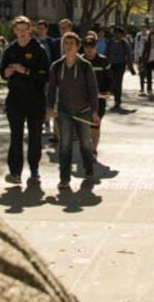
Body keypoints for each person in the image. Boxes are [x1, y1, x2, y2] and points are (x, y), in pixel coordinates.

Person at [46, 32, 100, 191]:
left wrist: (94, 112)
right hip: (64, 112)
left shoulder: (85, 66)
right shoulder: (56, 66)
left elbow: (93, 89)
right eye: (66, 43)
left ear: (77, 47)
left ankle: (88, 169)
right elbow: (51, 90)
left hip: (83, 110)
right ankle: (64, 178)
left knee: (85, 143)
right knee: (65, 145)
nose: (68, 46)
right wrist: (50, 107)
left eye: (71, 43)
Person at [1, 17, 50, 184]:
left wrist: (26, 71)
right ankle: (15, 172)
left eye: (24, 30)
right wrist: (6, 72)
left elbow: (45, 76)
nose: (21, 33)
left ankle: (34, 169)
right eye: (18, 30)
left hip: (35, 100)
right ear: (14, 30)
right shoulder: (10, 50)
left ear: (30, 30)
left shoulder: (38, 49)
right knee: (16, 136)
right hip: (15, 100)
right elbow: (2, 71)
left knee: (34, 136)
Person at [82, 33, 112, 156]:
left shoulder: (103, 61)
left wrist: (108, 92)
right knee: (84, 126)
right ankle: (86, 147)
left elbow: (110, 79)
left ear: (96, 47)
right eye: (87, 47)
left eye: (92, 47)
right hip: (82, 100)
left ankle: (93, 149)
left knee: (95, 124)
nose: (89, 50)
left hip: (99, 99)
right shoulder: (79, 61)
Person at [106, 27, 134, 112]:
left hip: (120, 65)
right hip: (111, 64)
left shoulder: (124, 43)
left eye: (119, 33)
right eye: (115, 33)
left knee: (118, 82)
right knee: (112, 82)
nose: (117, 35)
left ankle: (117, 100)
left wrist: (131, 67)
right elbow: (106, 53)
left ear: (122, 35)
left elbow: (128, 55)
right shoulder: (110, 42)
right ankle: (115, 97)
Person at [140, 31, 154, 98]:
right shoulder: (147, 43)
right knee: (149, 76)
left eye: (153, 36)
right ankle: (149, 89)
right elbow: (144, 52)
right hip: (148, 61)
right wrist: (142, 60)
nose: (152, 37)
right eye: (151, 36)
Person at [133, 24, 151, 95]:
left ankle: (149, 88)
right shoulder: (138, 36)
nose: (143, 29)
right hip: (141, 56)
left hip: (148, 56)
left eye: (144, 28)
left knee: (149, 72)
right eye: (142, 28)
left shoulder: (149, 35)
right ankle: (142, 87)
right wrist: (136, 57)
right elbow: (136, 46)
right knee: (141, 72)